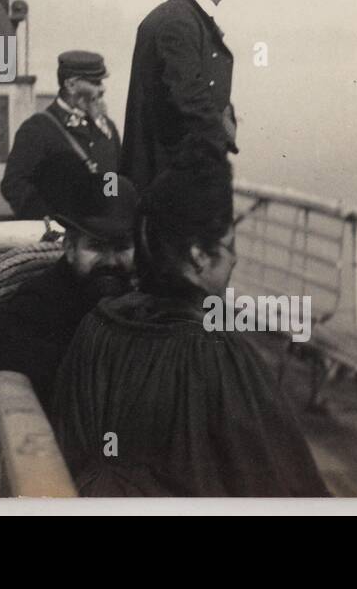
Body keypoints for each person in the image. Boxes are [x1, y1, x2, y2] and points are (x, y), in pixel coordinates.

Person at [52, 139, 329, 497]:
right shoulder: (215, 353)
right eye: (229, 245)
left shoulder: (97, 328)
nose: (235, 260)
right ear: (199, 256)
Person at [0, 154, 138, 408]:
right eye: (96, 246)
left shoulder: (147, 294)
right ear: (70, 247)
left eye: (121, 247)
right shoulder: (48, 295)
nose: (109, 261)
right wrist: (75, 360)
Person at [120, 0, 238, 193]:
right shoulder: (180, 21)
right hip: (173, 176)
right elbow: (188, 95)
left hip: (168, 171)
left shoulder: (177, 15)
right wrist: (218, 145)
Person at [1, 50, 121, 219]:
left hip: (103, 232)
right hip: (61, 237)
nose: (102, 88)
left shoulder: (107, 127)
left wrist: (110, 210)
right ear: (71, 85)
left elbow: (112, 175)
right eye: (96, 82)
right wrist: (53, 217)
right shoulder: (37, 129)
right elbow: (13, 185)